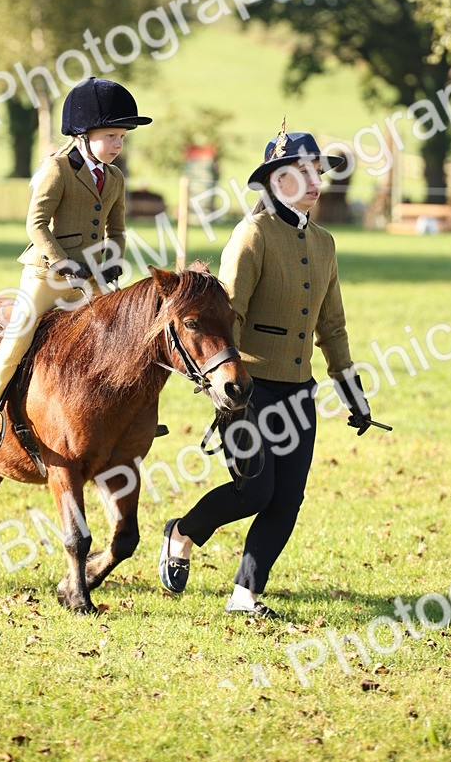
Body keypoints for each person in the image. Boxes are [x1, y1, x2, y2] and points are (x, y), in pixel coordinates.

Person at [158, 126, 384, 618]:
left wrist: (352, 390)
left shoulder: (324, 244)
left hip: (300, 393)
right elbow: (226, 314)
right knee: (255, 490)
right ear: (273, 181)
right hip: (246, 390)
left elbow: (333, 324)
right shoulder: (252, 235)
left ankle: (244, 596)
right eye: (298, 172)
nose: (311, 180)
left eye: (315, 171)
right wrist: (218, 385)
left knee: (288, 498)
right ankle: (182, 532)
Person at [0, 76, 152, 447]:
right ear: (84, 135)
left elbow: (117, 230)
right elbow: (35, 224)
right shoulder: (58, 170)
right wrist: (61, 263)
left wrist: (113, 260)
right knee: (19, 334)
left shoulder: (115, 178)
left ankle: (119, 417)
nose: (118, 144)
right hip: (46, 272)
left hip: (91, 275)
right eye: (111, 136)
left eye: (122, 137)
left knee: (118, 336)